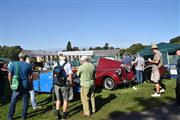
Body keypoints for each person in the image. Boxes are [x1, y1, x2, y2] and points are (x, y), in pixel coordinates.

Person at [8, 52, 33, 120]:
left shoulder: (13, 64)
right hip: (25, 85)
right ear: (25, 58)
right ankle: (23, 117)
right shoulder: (28, 65)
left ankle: (10, 117)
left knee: (13, 101)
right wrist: (31, 85)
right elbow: (31, 77)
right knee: (25, 102)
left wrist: (10, 83)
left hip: (16, 85)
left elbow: (10, 75)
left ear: (19, 57)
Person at [53, 54, 73, 119]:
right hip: (64, 84)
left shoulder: (55, 64)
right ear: (65, 58)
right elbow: (70, 75)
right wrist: (71, 83)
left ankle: (57, 114)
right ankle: (64, 116)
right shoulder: (68, 64)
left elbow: (53, 75)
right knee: (65, 100)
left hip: (56, 84)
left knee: (58, 99)